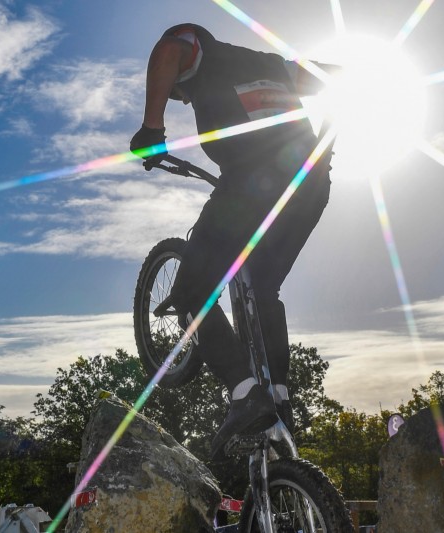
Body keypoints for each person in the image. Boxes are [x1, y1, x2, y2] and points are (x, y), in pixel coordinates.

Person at [129, 24, 333, 458]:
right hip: (312, 183)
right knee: (262, 287)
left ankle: (244, 392)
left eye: (181, 93)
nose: (183, 97)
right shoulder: (269, 65)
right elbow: (329, 77)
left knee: (191, 292)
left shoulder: (198, 53)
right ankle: (278, 395)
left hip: (255, 182)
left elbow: (167, 49)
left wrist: (151, 129)